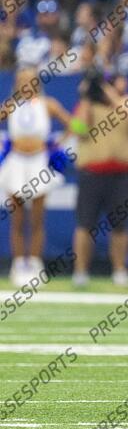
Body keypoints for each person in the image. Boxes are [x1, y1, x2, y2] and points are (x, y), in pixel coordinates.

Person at [71, 70, 128, 287]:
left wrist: (113, 97)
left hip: (121, 174)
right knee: (85, 224)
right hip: (91, 173)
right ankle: (80, 272)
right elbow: (77, 129)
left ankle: (120, 269)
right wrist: (87, 98)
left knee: (120, 226)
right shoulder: (88, 106)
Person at [0, 69, 72, 286]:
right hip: (16, 163)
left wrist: (57, 143)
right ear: (16, 83)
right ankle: (18, 264)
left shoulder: (47, 104)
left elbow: (73, 124)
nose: (26, 84)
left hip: (38, 162)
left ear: (37, 83)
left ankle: (34, 262)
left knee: (38, 218)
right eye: (21, 80)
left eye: (30, 80)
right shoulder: (10, 105)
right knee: (17, 217)